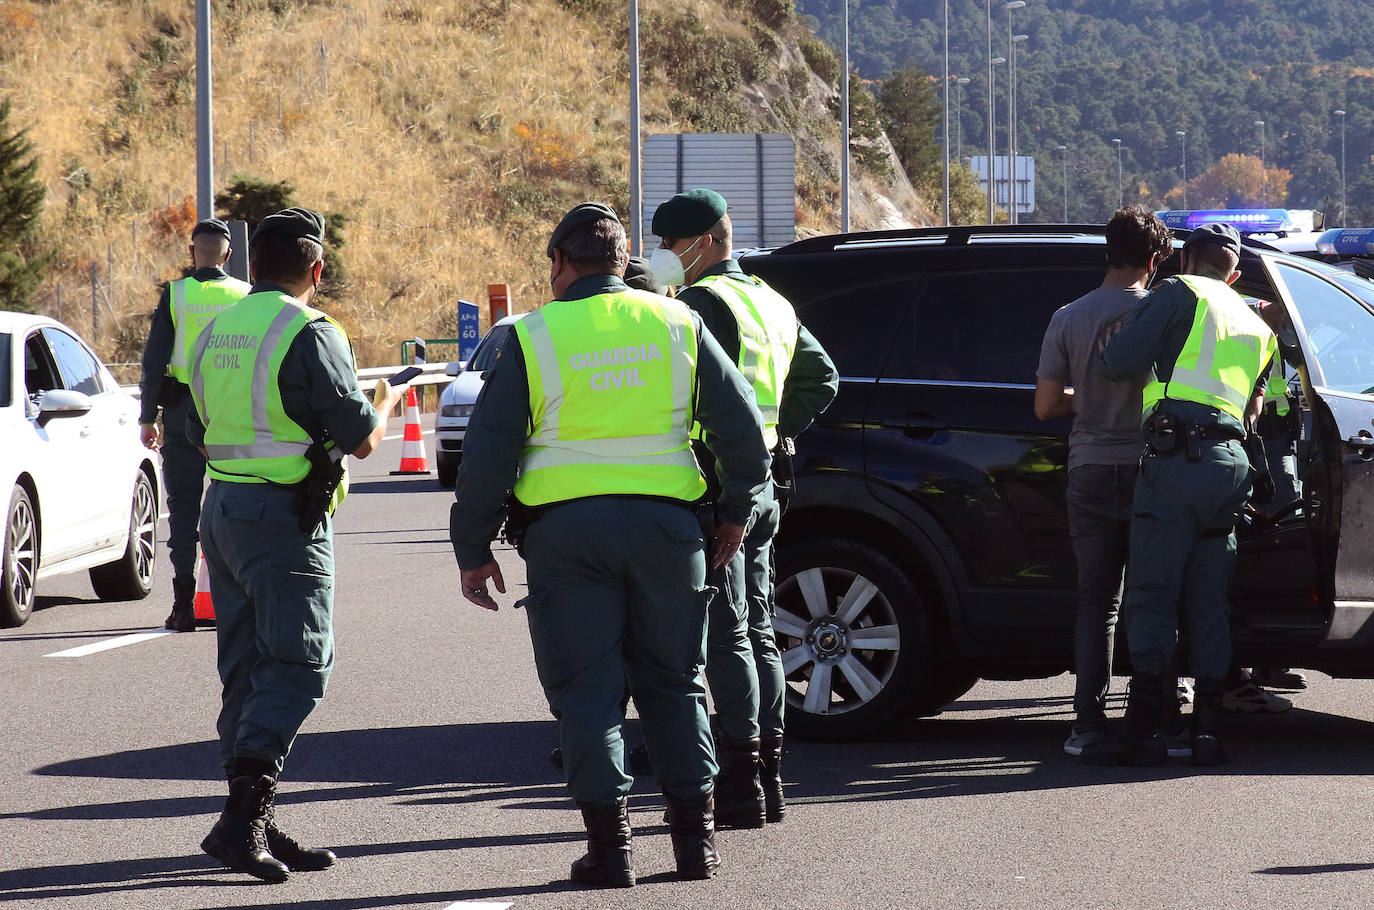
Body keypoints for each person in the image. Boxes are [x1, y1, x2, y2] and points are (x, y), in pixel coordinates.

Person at [450, 202, 770, 888]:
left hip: (566, 538)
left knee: (587, 691)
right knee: (677, 681)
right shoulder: (678, 321)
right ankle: (694, 847)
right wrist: (737, 511)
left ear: (560, 264)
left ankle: (611, 851)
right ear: (624, 261)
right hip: (669, 530)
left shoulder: (533, 337)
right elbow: (741, 430)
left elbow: (488, 453)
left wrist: (472, 548)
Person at [187, 207, 406, 882]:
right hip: (281, 516)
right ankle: (242, 822)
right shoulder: (310, 331)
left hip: (221, 507)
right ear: (317, 270)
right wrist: (388, 401)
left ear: (252, 267)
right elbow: (361, 436)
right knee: (300, 665)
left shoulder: (218, 328)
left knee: (247, 668)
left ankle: (249, 815)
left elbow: (200, 423)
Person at [650, 188, 837, 826]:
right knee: (759, 627)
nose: (663, 256)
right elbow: (823, 378)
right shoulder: (769, 298)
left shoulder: (701, 301)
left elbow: (689, 395)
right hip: (767, 480)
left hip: (717, 485)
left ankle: (738, 783)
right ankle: (770, 777)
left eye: (670, 246)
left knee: (727, 631)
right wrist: (775, 432)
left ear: (704, 241)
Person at [1087, 222, 1276, 767]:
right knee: (1209, 600)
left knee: (1151, 592)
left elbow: (1119, 364)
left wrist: (1118, 340)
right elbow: (1254, 410)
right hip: (1229, 465)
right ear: (1234, 273)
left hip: (1176, 463)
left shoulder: (1177, 292)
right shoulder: (1255, 322)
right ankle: (1207, 734)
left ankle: (1144, 732)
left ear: (1183, 260)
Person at [1034, 205, 1173, 757]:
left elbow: (1045, 404)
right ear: (1154, 259)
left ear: (1107, 252)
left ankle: (1087, 724)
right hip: (1151, 469)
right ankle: (1152, 719)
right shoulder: (1166, 315)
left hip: (1090, 465)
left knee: (1097, 603)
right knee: (1153, 598)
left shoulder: (1068, 316)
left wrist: (1086, 396)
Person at [137, 218, 251, 631]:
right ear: (229, 254)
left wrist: (148, 417)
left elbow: (153, 362)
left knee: (184, 507)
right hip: (234, 412)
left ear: (192, 252)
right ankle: (237, 598)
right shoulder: (245, 294)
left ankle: (183, 603)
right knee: (239, 501)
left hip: (185, 409)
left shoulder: (177, 294)